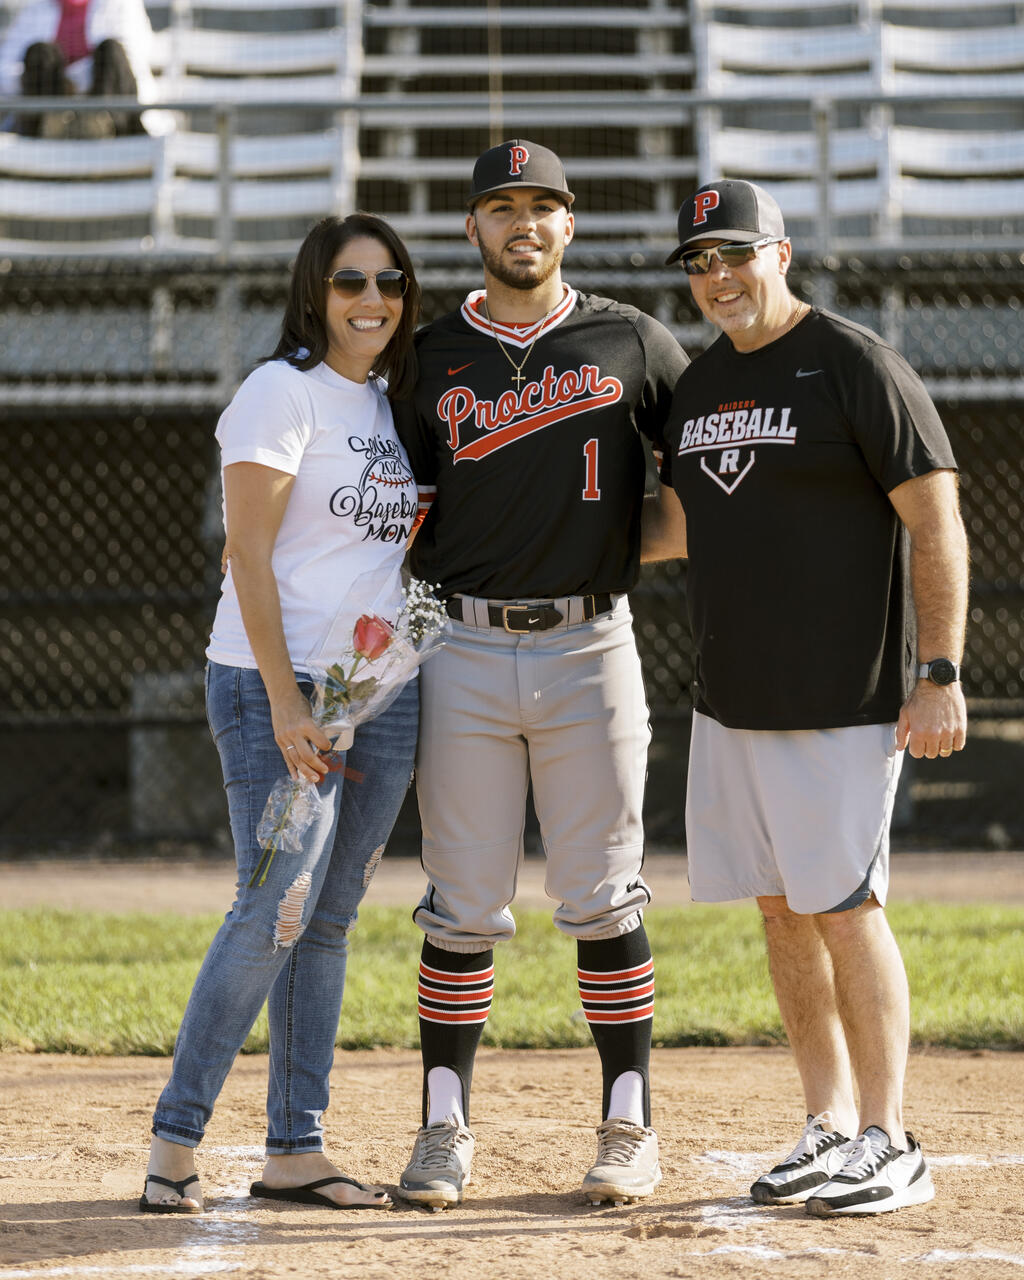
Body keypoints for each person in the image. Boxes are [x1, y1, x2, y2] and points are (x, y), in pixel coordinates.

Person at [646, 178, 969, 1217]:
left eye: (735, 254)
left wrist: (939, 672)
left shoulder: (854, 363)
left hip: (845, 698)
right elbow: (678, 527)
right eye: (700, 263)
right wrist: (526, 535)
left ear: (780, 254)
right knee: (781, 911)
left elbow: (935, 521)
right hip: (732, 698)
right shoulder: (699, 385)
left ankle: (891, 1138)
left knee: (844, 909)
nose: (718, 278)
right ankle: (827, 1124)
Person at [392, 139, 689, 1210]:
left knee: (604, 897)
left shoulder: (633, 340)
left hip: (589, 645)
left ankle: (627, 1123)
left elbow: (707, 480)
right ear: (471, 227)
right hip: (462, 649)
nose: (524, 223)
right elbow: (391, 512)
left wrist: (605, 547)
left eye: (543, 205)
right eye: (501, 206)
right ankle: (442, 1128)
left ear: (571, 223)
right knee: (461, 905)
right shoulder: (426, 358)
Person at [139, 212, 421, 1214]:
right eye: (351, 282)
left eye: (390, 281)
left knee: (328, 920)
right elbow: (247, 558)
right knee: (274, 910)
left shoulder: (393, 403)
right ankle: (175, 1141)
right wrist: (286, 701)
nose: (372, 299)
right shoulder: (279, 391)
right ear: (315, 292)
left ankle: (296, 1147)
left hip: (377, 692)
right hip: (280, 685)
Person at [0, 0, 162, 137]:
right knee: (40, 54)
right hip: (50, 106)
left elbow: (133, 60)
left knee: (111, 51)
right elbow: (5, 70)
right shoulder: (35, 8)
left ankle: (105, 124)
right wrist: (53, 76)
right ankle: (51, 125)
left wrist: (70, 81)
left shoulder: (121, 4)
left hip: (107, 100)